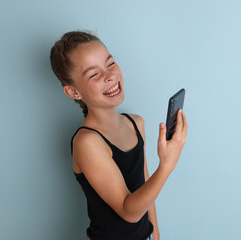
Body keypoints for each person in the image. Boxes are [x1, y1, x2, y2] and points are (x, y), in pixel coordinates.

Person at [49, 31, 188, 240]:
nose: (109, 75)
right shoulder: (87, 142)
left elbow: (144, 183)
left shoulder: (136, 123)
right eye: (93, 74)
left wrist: (155, 233)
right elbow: (128, 210)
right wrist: (167, 165)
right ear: (74, 92)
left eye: (110, 63)